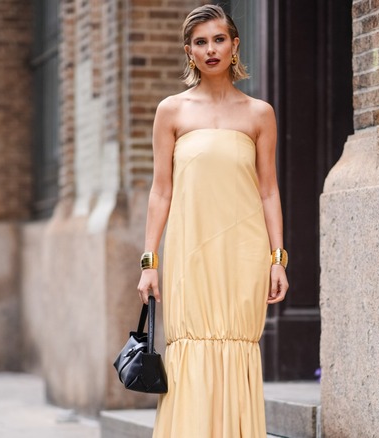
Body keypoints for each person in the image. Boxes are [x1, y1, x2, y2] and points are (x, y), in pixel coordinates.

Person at [136, 4, 289, 437]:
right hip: (190, 254)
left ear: (234, 44)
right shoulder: (172, 111)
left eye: (219, 39)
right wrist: (150, 262)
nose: (211, 49)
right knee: (190, 348)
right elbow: (161, 190)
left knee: (237, 345)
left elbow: (268, 189)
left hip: (243, 254)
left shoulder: (260, 114)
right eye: (200, 42)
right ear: (189, 52)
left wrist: (277, 258)